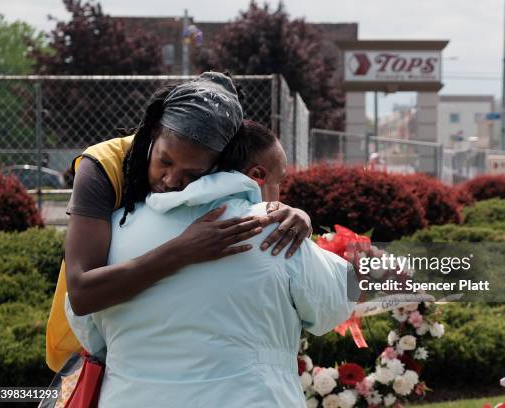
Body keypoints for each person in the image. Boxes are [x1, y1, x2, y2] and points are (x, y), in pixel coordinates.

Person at [65, 119, 357, 406]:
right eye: (278, 180)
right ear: (255, 174)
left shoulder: (114, 230)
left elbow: (87, 331)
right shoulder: (275, 231)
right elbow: (339, 301)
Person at [46, 72, 313, 372]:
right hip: (85, 352)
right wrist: (182, 251)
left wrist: (288, 212)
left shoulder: (218, 173)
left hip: (162, 354)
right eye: (165, 161)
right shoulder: (101, 166)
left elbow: (254, 199)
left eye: (193, 174)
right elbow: (82, 293)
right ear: (154, 130)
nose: (171, 181)